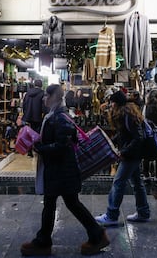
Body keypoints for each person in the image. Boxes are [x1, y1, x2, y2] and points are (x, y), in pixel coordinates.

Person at [20, 84, 110, 257]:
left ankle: (95, 235)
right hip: (58, 170)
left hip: (62, 171)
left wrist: (40, 147)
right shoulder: (54, 115)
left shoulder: (61, 117)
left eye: (47, 95)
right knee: (58, 203)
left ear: (55, 97)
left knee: (66, 203)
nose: (44, 98)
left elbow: (63, 146)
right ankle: (45, 240)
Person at [95, 90, 150, 226]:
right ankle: (143, 213)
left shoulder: (127, 115)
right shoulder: (127, 114)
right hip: (134, 154)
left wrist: (124, 151)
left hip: (131, 155)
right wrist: (110, 141)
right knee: (137, 184)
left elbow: (138, 137)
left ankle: (111, 215)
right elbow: (123, 134)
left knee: (118, 183)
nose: (111, 106)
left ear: (117, 103)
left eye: (112, 103)